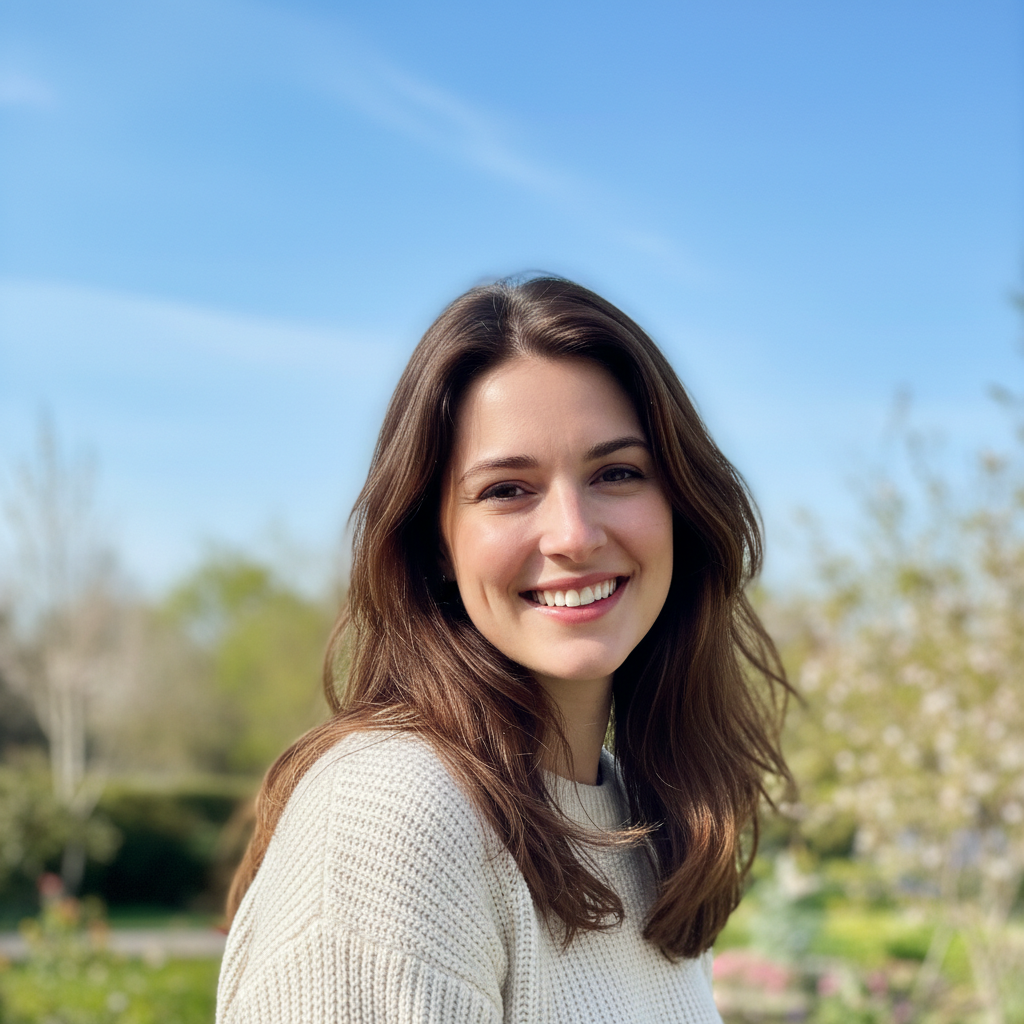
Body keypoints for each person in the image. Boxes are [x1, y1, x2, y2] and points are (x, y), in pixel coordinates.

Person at [216, 276, 793, 1023]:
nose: (574, 535)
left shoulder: (641, 818)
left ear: (681, 504)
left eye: (617, 473)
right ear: (436, 547)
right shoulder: (393, 813)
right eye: (508, 490)